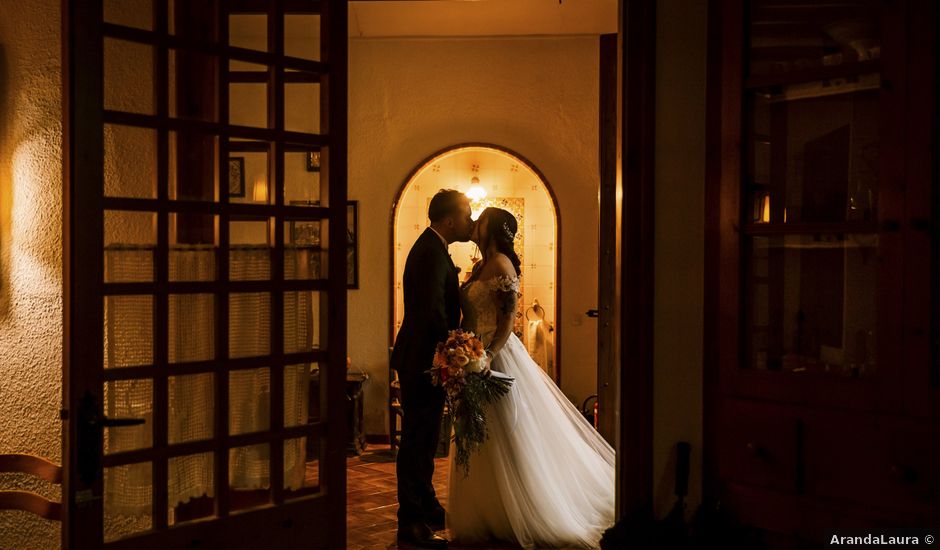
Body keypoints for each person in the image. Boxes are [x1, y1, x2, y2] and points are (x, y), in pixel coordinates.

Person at [446, 207, 616, 549]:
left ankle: (521, 508)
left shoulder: (502, 266)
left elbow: (508, 321)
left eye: (481, 221)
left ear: (493, 229)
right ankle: (487, 510)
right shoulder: (480, 265)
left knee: (505, 432)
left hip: (496, 355)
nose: (475, 224)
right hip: (471, 352)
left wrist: (487, 355)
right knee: (478, 434)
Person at [390, 189, 474, 549]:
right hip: (424, 359)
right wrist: (451, 352)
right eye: (467, 215)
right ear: (450, 219)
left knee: (423, 439)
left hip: (426, 358)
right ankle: (410, 521)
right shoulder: (429, 252)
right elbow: (430, 314)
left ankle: (425, 505)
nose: (470, 222)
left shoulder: (434, 248)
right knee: (417, 441)